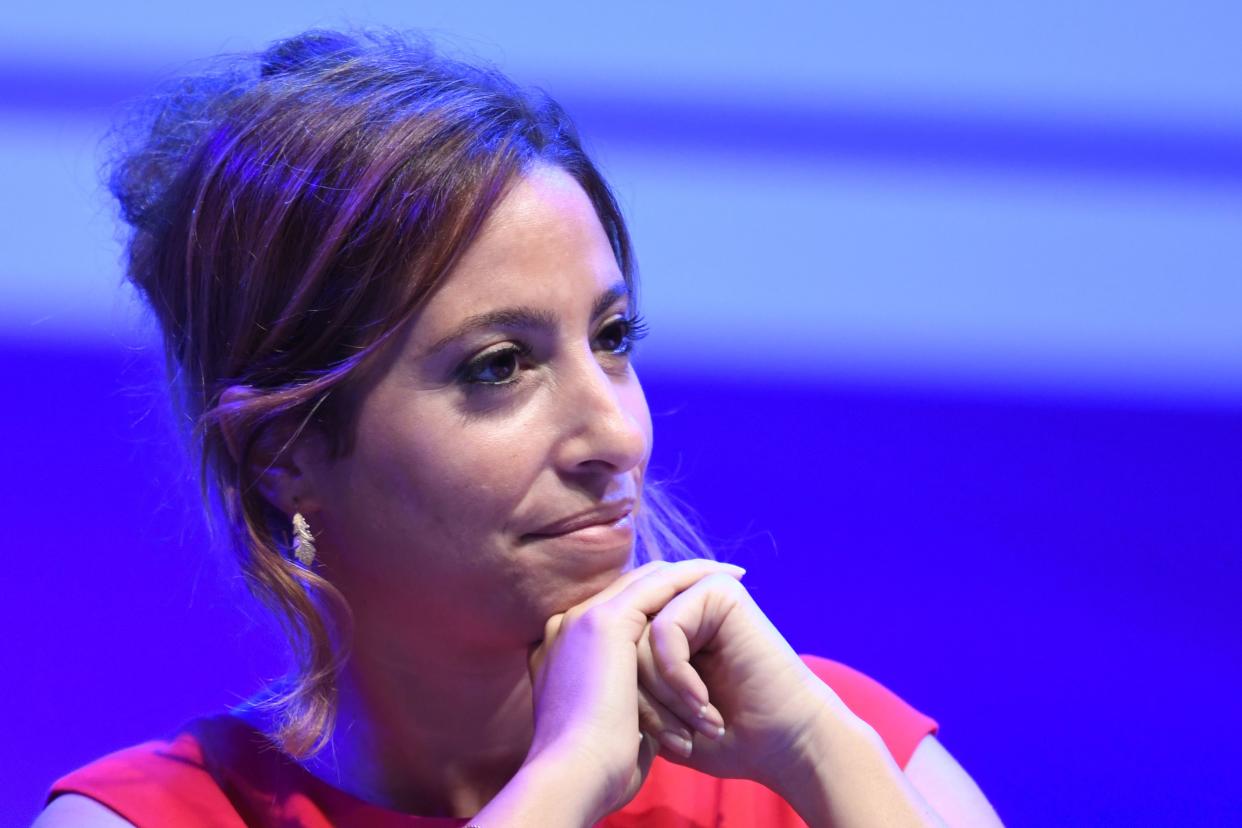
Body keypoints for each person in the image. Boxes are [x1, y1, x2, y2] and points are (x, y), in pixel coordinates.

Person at [37, 29, 1001, 827]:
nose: (615, 435)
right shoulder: (142, 818)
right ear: (283, 453)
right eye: (498, 366)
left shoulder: (829, 747)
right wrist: (566, 780)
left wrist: (821, 758)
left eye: (613, 338)